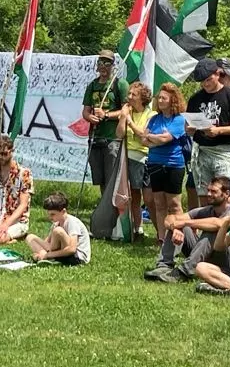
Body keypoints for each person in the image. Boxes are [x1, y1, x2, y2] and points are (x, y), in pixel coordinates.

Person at [144, 175, 230, 283]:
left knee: (213, 232)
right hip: (207, 254)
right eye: (208, 190)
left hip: (228, 260)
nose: (208, 194)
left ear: (226, 194)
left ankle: (184, 272)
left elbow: (219, 224)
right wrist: (175, 228)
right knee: (179, 226)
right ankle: (164, 266)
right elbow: (170, 218)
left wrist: (184, 222)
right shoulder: (206, 210)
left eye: (213, 191)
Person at [183, 60, 230, 207]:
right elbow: (188, 124)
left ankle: (227, 221)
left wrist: (220, 130)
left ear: (217, 74)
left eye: (208, 79)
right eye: (202, 82)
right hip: (202, 150)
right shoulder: (195, 99)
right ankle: (207, 221)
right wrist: (190, 129)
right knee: (205, 195)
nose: (205, 84)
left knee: (226, 196)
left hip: (223, 151)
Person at [140, 82, 191, 254]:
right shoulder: (154, 119)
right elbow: (143, 140)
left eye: (164, 98)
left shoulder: (179, 120)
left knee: (174, 204)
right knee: (159, 203)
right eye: (159, 97)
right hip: (155, 164)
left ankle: (180, 239)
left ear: (172, 100)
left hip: (173, 164)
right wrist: (156, 138)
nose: (160, 100)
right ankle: (162, 239)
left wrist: (152, 137)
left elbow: (165, 139)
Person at [81, 53, 128, 230]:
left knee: (112, 179)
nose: (103, 66)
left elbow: (126, 110)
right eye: (100, 62)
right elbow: (85, 111)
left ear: (113, 66)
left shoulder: (119, 84)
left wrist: (107, 115)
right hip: (95, 137)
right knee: (100, 179)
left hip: (112, 138)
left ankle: (117, 218)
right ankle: (105, 214)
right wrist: (90, 117)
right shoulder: (92, 85)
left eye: (107, 63)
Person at [0, 135, 34, 244]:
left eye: (4, 153)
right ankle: (5, 236)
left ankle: (13, 237)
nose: (1, 157)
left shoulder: (24, 174)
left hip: (16, 221)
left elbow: (23, 205)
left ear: (12, 151)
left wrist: (6, 224)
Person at [122, 81, 154, 240]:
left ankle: (160, 229)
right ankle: (137, 228)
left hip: (143, 158)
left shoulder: (151, 115)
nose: (129, 97)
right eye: (128, 93)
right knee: (133, 195)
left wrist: (129, 120)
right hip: (127, 157)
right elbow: (120, 133)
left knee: (148, 198)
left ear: (142, 98)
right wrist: (123, 117)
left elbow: (143, 135)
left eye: (133, 94)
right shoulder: (127, 112)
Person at [24, 191, 92, 265]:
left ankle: (49, 257)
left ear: (63, 211)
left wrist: (49, 254)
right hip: (60, 253)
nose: (50, 217)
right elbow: (47, 243)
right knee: (30, 237)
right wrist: (42, 251)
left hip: (76, 257)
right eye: (49, 214)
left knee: (58, 231)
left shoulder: (72, 222)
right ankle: (43, 257)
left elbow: (72, 249)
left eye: (53, 214)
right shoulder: (56, 224)